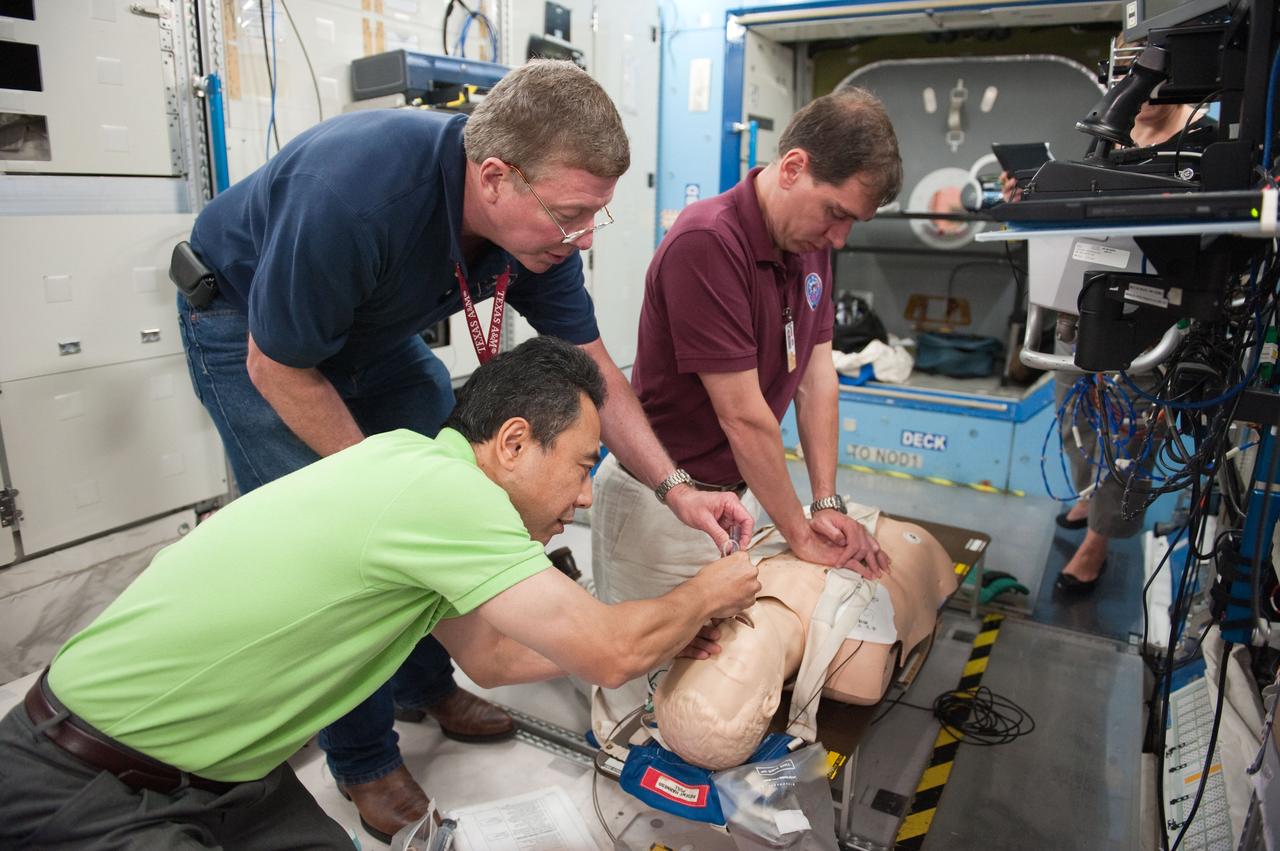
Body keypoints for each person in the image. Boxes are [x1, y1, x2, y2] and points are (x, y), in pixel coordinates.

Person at [176, 59, 753, 838]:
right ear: (493, 179)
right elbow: (276, 363)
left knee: (447, 484)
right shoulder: (358, 193)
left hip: (372, 339)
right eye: (572, 214)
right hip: (251, 334)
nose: (583, 237)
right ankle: (364, 758)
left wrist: (674, 486)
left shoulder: (536, 236)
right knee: (353, 542)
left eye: (595, 216)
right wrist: (388, 489)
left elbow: (596, 370)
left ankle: (423, 681)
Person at [0, 337, 762, 850]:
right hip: (83, 775)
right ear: (515, 441)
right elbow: (606, 649)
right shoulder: (448, 495)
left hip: (218, 771)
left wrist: (668, 634)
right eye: (583, 464)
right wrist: (708, 588)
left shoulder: (414, 467)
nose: (586, 496)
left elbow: (493, 656)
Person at [589, 86, 903, 739]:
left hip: (734, 500)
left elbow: (818, 377)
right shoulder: (709, 242)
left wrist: (826, 501)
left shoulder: (809, 243)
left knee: (705, 678)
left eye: (854, 223)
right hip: (663, 504)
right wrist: (801, 529)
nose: (839, 237)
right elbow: (745, 416)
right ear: (792, 168)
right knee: (635, 699)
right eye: (835, 212)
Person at [1001, 84, 1215, 594]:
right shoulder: (1108, 138)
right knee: (1076, 412)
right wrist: (1029, 197)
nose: (1143, 92)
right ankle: (1088, 494)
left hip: (1156, 312)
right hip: (1089, 300)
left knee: (1134, 436)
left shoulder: (1206, 142)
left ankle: (1099, 540)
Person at [653, 512, 958, 770]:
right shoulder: (858, 661)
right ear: (771, 698)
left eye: (701, 655)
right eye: (732, 663)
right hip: (905, 536)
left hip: (817, 515)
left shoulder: (716, 591)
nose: (724, 639)